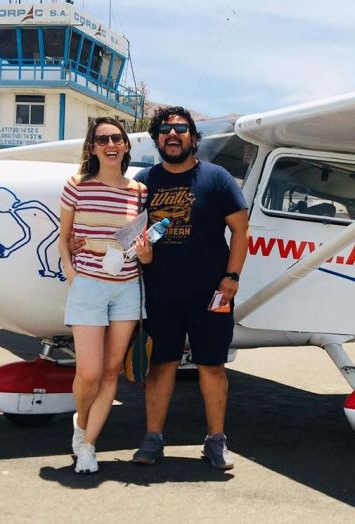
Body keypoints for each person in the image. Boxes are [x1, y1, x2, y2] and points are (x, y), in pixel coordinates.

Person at [132, 106, 249, 470]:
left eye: (180, 129)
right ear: (157, 140)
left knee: (211, 366)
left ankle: (216, 442)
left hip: (210, 294)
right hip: (161, 293)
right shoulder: (144, 181)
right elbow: (125, 230)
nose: (172, 134)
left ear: (193, 138)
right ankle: (153, 440)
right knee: (161, 366)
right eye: (165, 130)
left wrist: (231, 280)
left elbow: (241, 232)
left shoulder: (217, 178)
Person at [58, 117, 151, 474]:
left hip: (128, 286)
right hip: (89, 286)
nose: (110, 144)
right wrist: (70, 271)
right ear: (93, 147)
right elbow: (63, 237)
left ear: (126, 145)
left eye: (117, 138)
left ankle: (89, 445)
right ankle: (81, 424)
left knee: (112, 370)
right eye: (102, 140)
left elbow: (138, 242)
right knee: (89, 374)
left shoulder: (139, 192)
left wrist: (145, 254)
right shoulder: (77, 185)